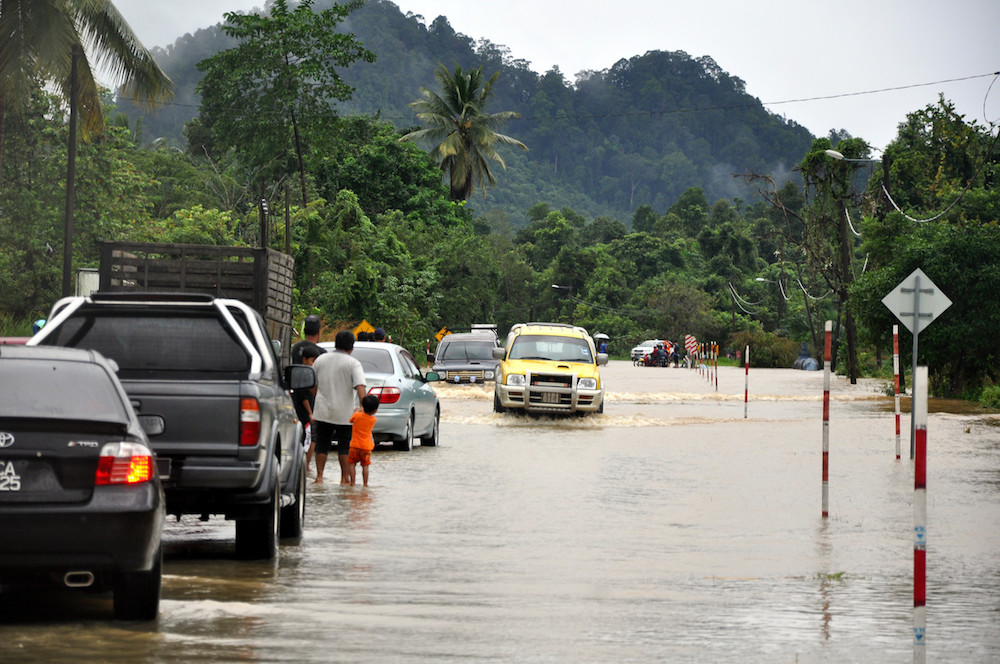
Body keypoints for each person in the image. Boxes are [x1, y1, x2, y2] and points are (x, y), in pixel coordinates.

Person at [311, 330, 366, 484]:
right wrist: (363, 407)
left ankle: (319, 477)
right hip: (345, 413)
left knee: (322, 443)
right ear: (351, 347)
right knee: (344, 446)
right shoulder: (353, 363)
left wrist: (320, 397)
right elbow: (360, 386)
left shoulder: (320, 360)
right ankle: (344, 479)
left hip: (323, 411)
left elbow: (312, 384)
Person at [290, 314, 322, 463]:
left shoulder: (296, 348)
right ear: (319, 331)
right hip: (312, 400)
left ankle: (299, 463)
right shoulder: (321, 353)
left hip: (295, 397)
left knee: (299, 432)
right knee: (313, 435)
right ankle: (306, 467)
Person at [299, 345, 325, 472]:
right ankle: (307, 466)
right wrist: (310, 413)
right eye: (312, 361)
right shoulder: (305, 374)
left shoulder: (310, 373)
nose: (314, 364)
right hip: (306, 412)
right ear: (304, 359)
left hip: (309, 410)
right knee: (312, 438)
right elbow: (304, 396)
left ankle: (306, 465)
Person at [347, 394, 380, 487]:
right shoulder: (373, 419)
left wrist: (357, 411)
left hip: (354, 445)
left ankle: (352, 482)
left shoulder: (357, 415)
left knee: (352, 464)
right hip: (366, 447)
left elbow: (351, 420)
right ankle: (365, 484)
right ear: (375, 410)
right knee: (365, 466)